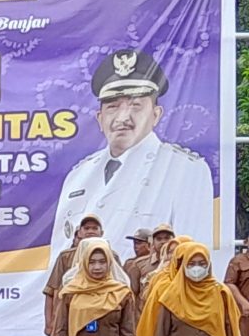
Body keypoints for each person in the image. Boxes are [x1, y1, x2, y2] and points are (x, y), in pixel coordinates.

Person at [48, 49, 215, 269]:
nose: (123, 117)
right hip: (84, 297)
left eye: (136, 105)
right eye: (113, 106)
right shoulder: (78, 176)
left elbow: (194, 257)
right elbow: (59, 260)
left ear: (156, 115)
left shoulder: (185, 170)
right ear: (100, 118)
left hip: (147, 296)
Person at [43, 214, 103, 336]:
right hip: (68, 318)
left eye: (94, 228)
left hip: (103, 319)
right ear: (79, 232)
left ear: (101, 232)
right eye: (86, 228)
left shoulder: (111, 257)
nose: (90, 231)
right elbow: (51, 291)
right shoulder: (65, 257)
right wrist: (50, 323)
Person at [224, 242, 249, 336]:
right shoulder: (238, 261)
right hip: (245, 313)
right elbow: (229, 283)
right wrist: (243, 302)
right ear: (246, 242)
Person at [123, 228, 156, 297]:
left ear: (149, 244)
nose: (135, 246)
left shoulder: (157, 263)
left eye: (139, 243)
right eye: (134, 243)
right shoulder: (129, 263)